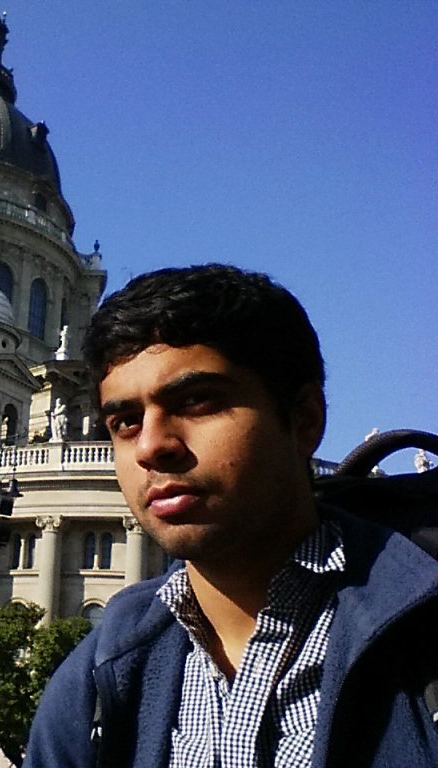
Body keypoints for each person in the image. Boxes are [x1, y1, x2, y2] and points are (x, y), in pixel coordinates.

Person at [24, 264, 438, 767]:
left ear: (305, 419)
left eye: (198, 401)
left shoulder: (422, 634)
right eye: (126, 421)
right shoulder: (92, 679)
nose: (151, 446)